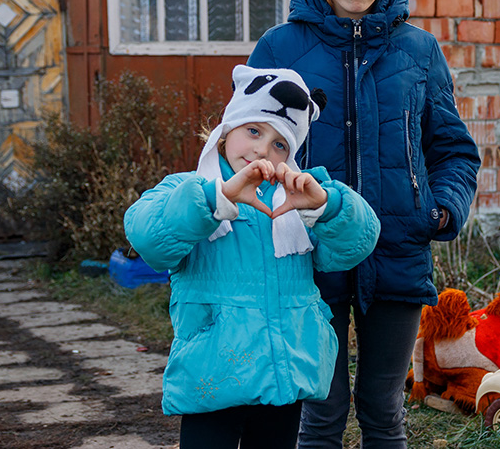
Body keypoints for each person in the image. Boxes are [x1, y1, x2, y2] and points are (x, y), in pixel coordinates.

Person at [248, 0, 481, 448]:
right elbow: (246, 149)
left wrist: (441, 210)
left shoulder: (418, 51)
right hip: (307, 259)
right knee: (321, 415)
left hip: (397, 252)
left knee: (384, 410)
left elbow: (453, 149)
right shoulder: (280, 50)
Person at [124, 65, 381, 449]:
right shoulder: (190, 190)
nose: (263, 149)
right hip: (213, 377)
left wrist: (327, 206)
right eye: (254, 131)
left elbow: (355, 244)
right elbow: (149, 238)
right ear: (226, 132)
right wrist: (216, 199)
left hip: (282, 375)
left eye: (280, 144)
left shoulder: (298, 201)